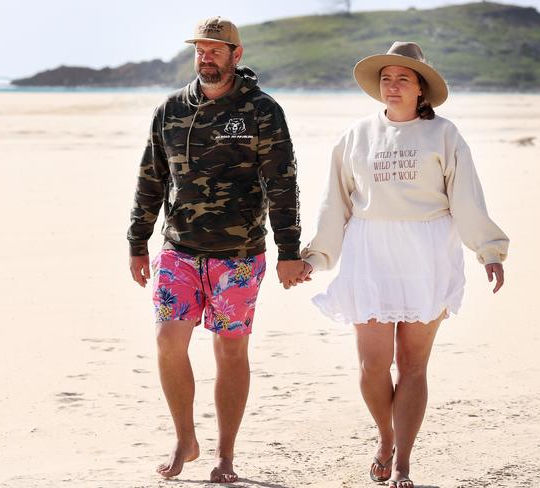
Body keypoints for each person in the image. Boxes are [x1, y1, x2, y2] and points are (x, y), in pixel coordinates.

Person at [299, 42, 509, 488]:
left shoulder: (445, 135)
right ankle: (385, 436)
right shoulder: (355, 135)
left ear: (421, 89)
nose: (392, 86)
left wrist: (489, 249)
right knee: (372, 365)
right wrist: (317, 256)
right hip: (369, 251)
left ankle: (403, 463)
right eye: (387, 78)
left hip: (426, 251)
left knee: (412, 365)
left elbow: (467, 198)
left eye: (404, 79)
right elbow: (334, 202)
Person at [127, 16, 305, 483]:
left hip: (240, 254)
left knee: (229, 352)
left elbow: (282, 184)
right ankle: (185, 438)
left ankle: (225, 455)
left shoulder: (263, 111)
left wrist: (289, 249)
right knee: (169, 341)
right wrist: (137, 241)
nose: (206, 57)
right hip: (178, 249)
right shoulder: (170, 110)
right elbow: (151, 178)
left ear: (236, 55)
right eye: (201, 50)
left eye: (216, 50)